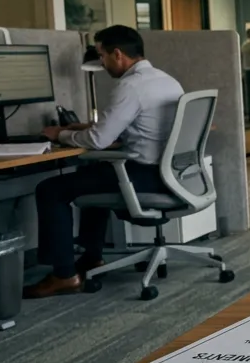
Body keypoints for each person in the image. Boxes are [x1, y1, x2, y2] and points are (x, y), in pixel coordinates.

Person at [24, 25, 184, 298]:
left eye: (101, 56)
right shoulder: (167, 80)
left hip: (143, 176)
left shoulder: (130, 86)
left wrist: (60, 134)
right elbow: (136, 124)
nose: (101, 63)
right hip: (169, 173)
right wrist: (85, 127)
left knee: (50, 190)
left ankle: (64, 276)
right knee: (94, 172)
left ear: (117, 54)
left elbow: (98, 140)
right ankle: (92, 258)